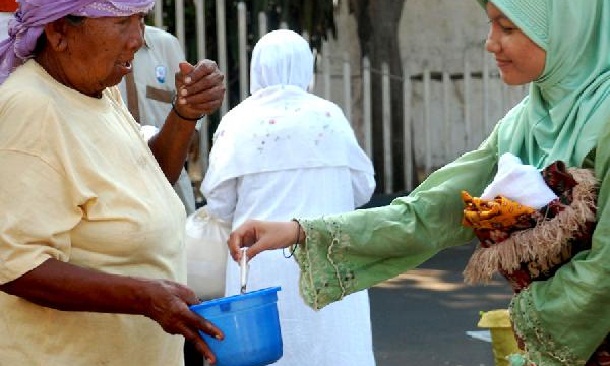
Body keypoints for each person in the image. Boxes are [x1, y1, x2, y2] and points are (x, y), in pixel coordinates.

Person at [227, 1, 610, 365]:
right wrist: (299, 231)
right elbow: (428, 213)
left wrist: (535, 316)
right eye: (490, 23)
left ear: (566, 28)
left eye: (507, 27)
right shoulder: (521, 124)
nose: (490, 42)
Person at [0, 1, 227, 365]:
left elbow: (146, 182)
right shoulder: (32, 109)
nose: (138, 38)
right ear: (59, 33)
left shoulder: (99, 92)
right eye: (122, 22)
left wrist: (185, 113)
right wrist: (143, 297)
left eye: (141, 20)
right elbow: (16, 265)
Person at [201, 29, 377, 366]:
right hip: (330, 263)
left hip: (260, 264)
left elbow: (219, 203)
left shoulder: (237, 121)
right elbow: (363, 187)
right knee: (334, 350)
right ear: (305, 68)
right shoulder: (329, 116)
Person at [118, 24, 199, 215]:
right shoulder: (97, 49)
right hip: (118, 173)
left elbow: (187, 97)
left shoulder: (166, 44)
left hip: (167, 175)